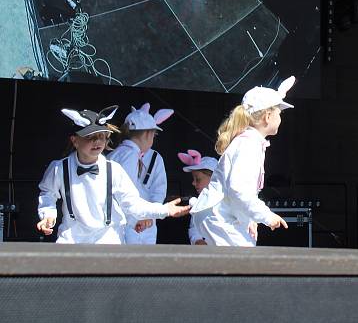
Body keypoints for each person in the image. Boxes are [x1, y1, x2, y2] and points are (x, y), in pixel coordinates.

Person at [36, 106, 189, 244]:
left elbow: (131, 202)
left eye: (101, 136)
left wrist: (164, 210)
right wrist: (48, 214)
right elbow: (48, 193)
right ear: (75, 140)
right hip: (72, 238)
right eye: (90, 137)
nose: (97, 142)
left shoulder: (113, 169)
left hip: (108, 240)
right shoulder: (59, 168)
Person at [190, 78, 295, 246]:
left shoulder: (250, 142)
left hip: (221, 214)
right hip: (219, 216)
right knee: (244, 264)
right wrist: (265, 215)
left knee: (242, 263)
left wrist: (248, 219)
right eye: (279, 113)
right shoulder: (248, 144)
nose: (281, 118)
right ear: (268, 116)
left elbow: (240, 191)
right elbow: (238, 189)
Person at [107, 104, 173, 244]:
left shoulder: (117, 153)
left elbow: (158, 191)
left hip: (130, 220)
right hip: (130, 221)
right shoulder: (130, 155)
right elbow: (125, 195)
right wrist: (137, 219)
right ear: (148, 134)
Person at [177, 149, 218, 245]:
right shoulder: (199, 202)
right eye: (193, 179)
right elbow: (194, 228)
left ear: (214, 178)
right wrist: (197, 240)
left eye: (198, 179)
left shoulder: (229, 200)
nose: (193, 183)